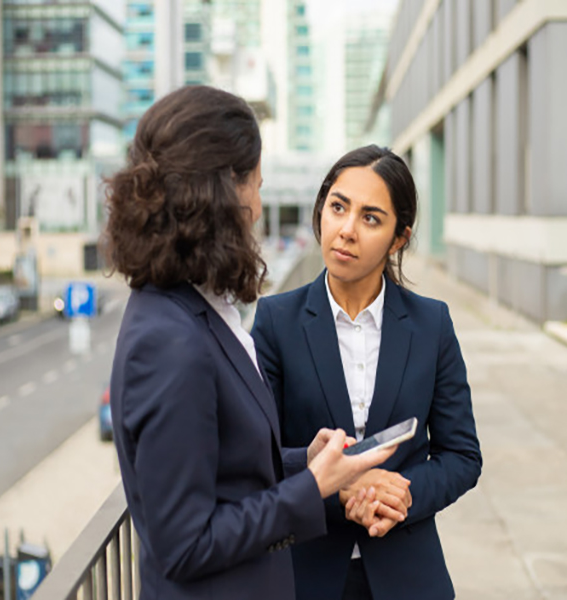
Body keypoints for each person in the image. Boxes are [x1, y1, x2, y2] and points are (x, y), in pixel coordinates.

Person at [103, 87, 396, 600]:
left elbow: (220, 466)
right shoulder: (171, 342)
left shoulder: (193, 308)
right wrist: (313, 488)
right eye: (256, 188)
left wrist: (303, 462)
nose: (259, 209)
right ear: (222, 196)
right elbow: (185, 545)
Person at [251, 145, 482, 600]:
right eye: (338, 208)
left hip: (409, 575)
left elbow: (462, 455)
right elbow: (262, 456)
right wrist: (345, 490)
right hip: (306, 575)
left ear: (399, 238)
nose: (346, 230)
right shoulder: (276, 321)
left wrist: (402, 494)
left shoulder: (431, 325)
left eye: (371, 218)